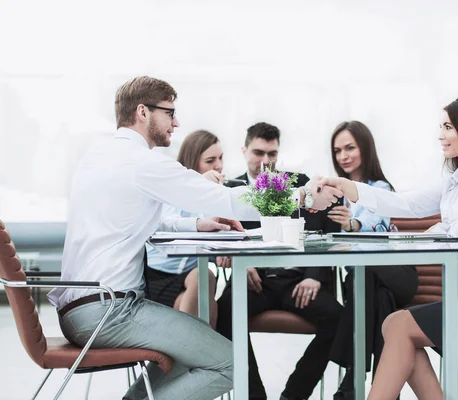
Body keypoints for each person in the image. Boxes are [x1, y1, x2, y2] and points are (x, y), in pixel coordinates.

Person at [47, 76, 340, 400]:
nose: (176, 122)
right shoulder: (142, 162)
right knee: (231, 364)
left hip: (83, 308)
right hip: (110, 312)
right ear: (143, 112)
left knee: (194, 352)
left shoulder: (99, 156)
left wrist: (197, 225)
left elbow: (144, 223)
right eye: (169, 112)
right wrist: (302, 196)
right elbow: (227, 199)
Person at [318, 96, 458, 400]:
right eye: (442, 126)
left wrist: (439, 229)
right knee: (396, 326)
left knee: (399, 325)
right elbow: (406, 203)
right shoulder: (455, 180)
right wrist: (348, 188)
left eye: (448, 126)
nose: (441, 134)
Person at [218, 122, 343, 400]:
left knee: (338, 317)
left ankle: (294, 395)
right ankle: (254, 396)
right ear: (244, 150)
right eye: (258, 152)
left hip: (297, 281)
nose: (265, 161)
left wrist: (314, 275)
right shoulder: (230, 190)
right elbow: (221, 234)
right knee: (223, 311)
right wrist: (241, 262)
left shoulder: (300, 184)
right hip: (252, 279)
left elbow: (324, 232)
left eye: (272, 154)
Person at [326, 121, 419, 399]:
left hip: (397, 274)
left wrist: (352, 225)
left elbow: (375, 224)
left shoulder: (380, 188)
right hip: (369, 284)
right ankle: (383, 388)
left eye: (350, 147)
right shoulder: (335, 196)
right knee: (377, 297)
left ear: (365, 148)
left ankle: (351, 382)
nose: (343, 156)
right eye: (338, 150)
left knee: (365, 273)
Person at [145, 130, 234, 329]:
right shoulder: (173, 186)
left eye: (220, 158)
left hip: (190, 275)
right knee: (204, 296)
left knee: (204, 283)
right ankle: (196, 354)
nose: (218, 166)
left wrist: (226, 251)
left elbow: (220, 232)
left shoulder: (218, 193)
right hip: (158, 274)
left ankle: (188, 355)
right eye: (210, 160)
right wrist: (199, 184)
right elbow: (167, 224)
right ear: (193, 162)